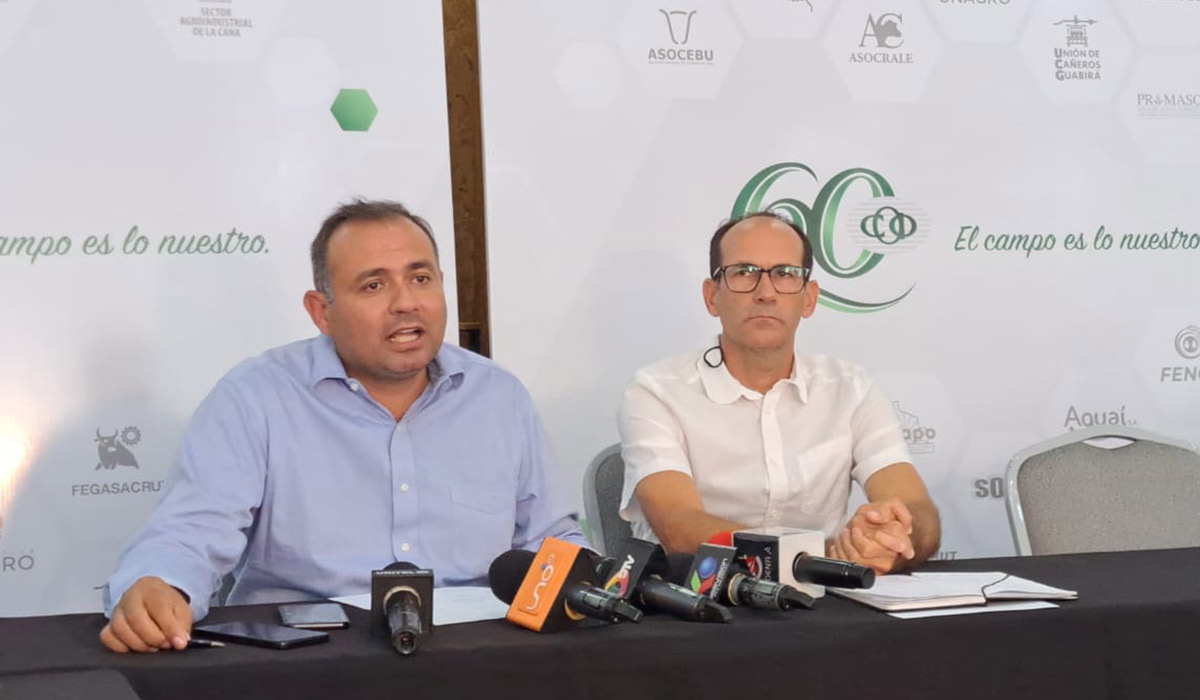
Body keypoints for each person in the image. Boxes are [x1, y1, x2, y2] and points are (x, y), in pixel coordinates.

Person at [101, 199, 586, 653]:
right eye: (374, 286)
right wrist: (160, 585)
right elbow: (191, 530)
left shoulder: (498, 396)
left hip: (476, 656)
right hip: (310, 658)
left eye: (420, 278)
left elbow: (552, 540)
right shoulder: (256, 397)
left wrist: (587, 581)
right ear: (322, 312)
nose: (406, 303)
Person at [618, 211, 939, 575]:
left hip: (822, 598)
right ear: (712, 296)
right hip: (695, 597)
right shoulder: (655, 392)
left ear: (809, 298)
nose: (766, 293)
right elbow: (679, 526)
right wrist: (821, 558)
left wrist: (890, 540)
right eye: (744, 273)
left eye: (785, 274)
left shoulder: (851, 388)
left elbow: (918, 512)